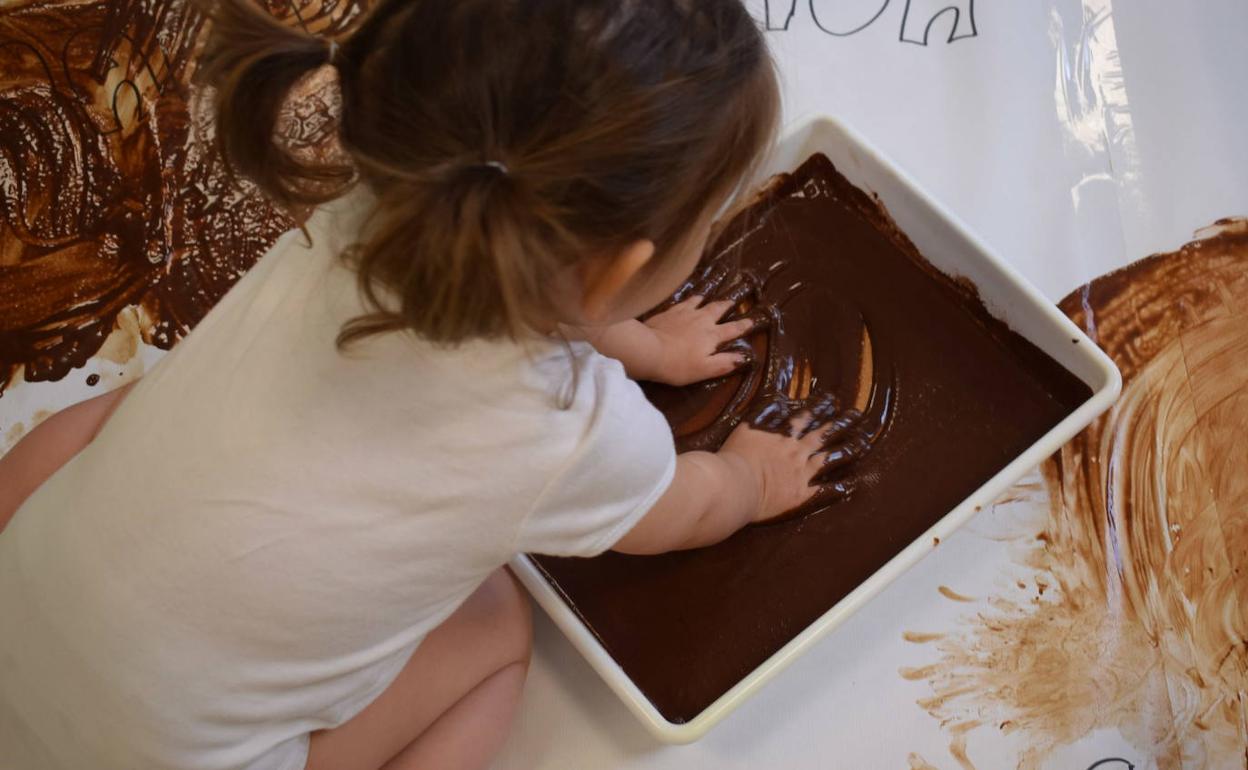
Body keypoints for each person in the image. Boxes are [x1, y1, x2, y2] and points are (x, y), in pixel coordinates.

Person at [0, 1, 843, 767]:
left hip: (23, 603)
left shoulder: (368, 207)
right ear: (623, 266)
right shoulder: (566, 434)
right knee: (498, 630)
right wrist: (752, 477)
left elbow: (542, 286)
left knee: (107, 420)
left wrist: (648, 352)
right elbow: (679, 511)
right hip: (172, 757)